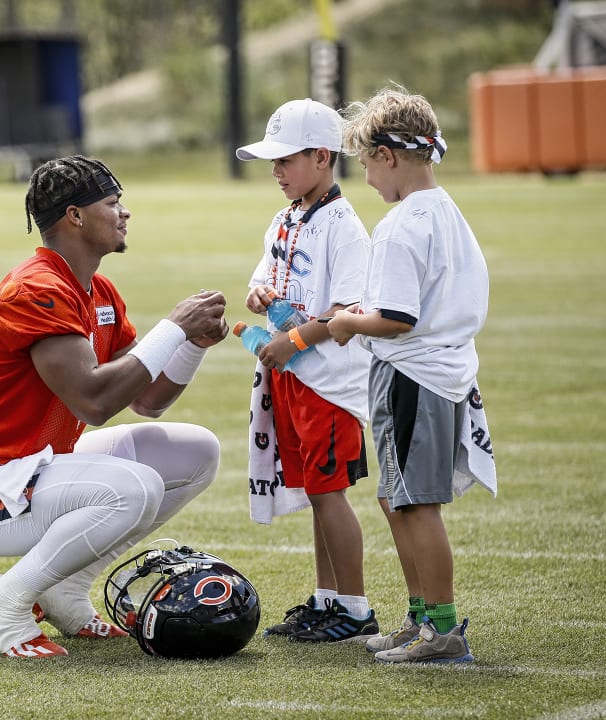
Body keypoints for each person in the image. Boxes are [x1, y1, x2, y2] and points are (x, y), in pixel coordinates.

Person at [0, 155, 229, 659]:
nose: (125, 213)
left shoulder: (98, 290)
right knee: (134, 488)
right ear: (75, 216)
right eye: (113, 203)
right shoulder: (35, 288)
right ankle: (5, 600)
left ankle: (64, 590)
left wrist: (192, 344)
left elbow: (146, 399)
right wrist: (173, 328)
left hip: (39, 466)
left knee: (196, 451)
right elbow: (93, 401)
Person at [328, 85, 491, 664]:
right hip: (443, 372)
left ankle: (442, 630)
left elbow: (396, 318)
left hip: (411, 376)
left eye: (367, 163)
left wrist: (347, 322)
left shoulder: (401, 225)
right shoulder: (446, 209)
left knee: (416, 503)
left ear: (388, 156)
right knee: (396, 500)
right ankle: (422, 617)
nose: (367, 177)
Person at [234, 98, 377, 643]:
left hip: (329, 385)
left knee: (328, 491)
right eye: (272, 162)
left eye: (285, 160)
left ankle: (357, 609)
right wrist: (260, 295)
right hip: (291, 379)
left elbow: (348, 313)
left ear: (322, 157)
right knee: (316, 492)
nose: (276, 172)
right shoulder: (286, 217)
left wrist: (289, 341)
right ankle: (327, 600)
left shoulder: (344, 227)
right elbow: (260, 283)